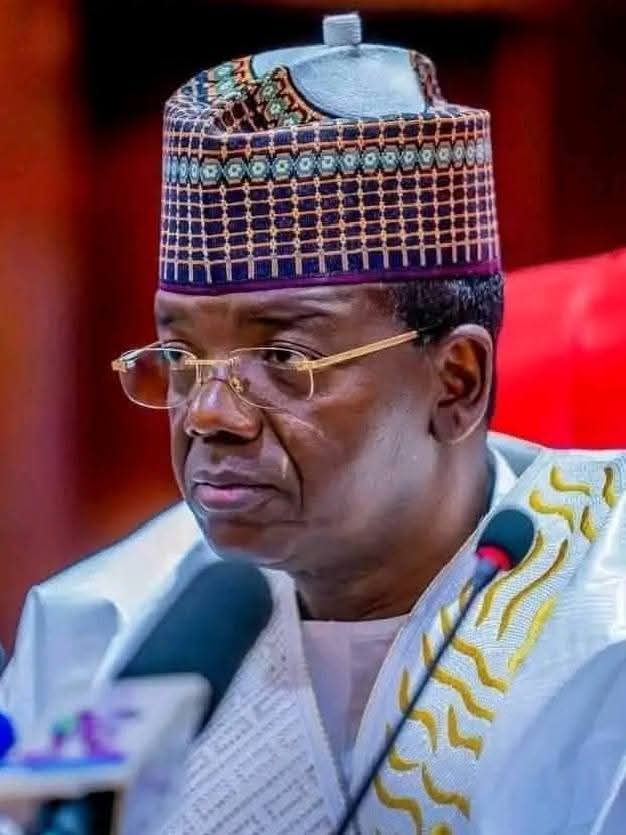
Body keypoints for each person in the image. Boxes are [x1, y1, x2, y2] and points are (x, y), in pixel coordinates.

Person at [3, 13, 626, 834]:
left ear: (457, 382)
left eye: (284, 357)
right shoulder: (106, 633)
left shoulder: (609, 615)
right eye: (181, 356)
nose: (209, 413)